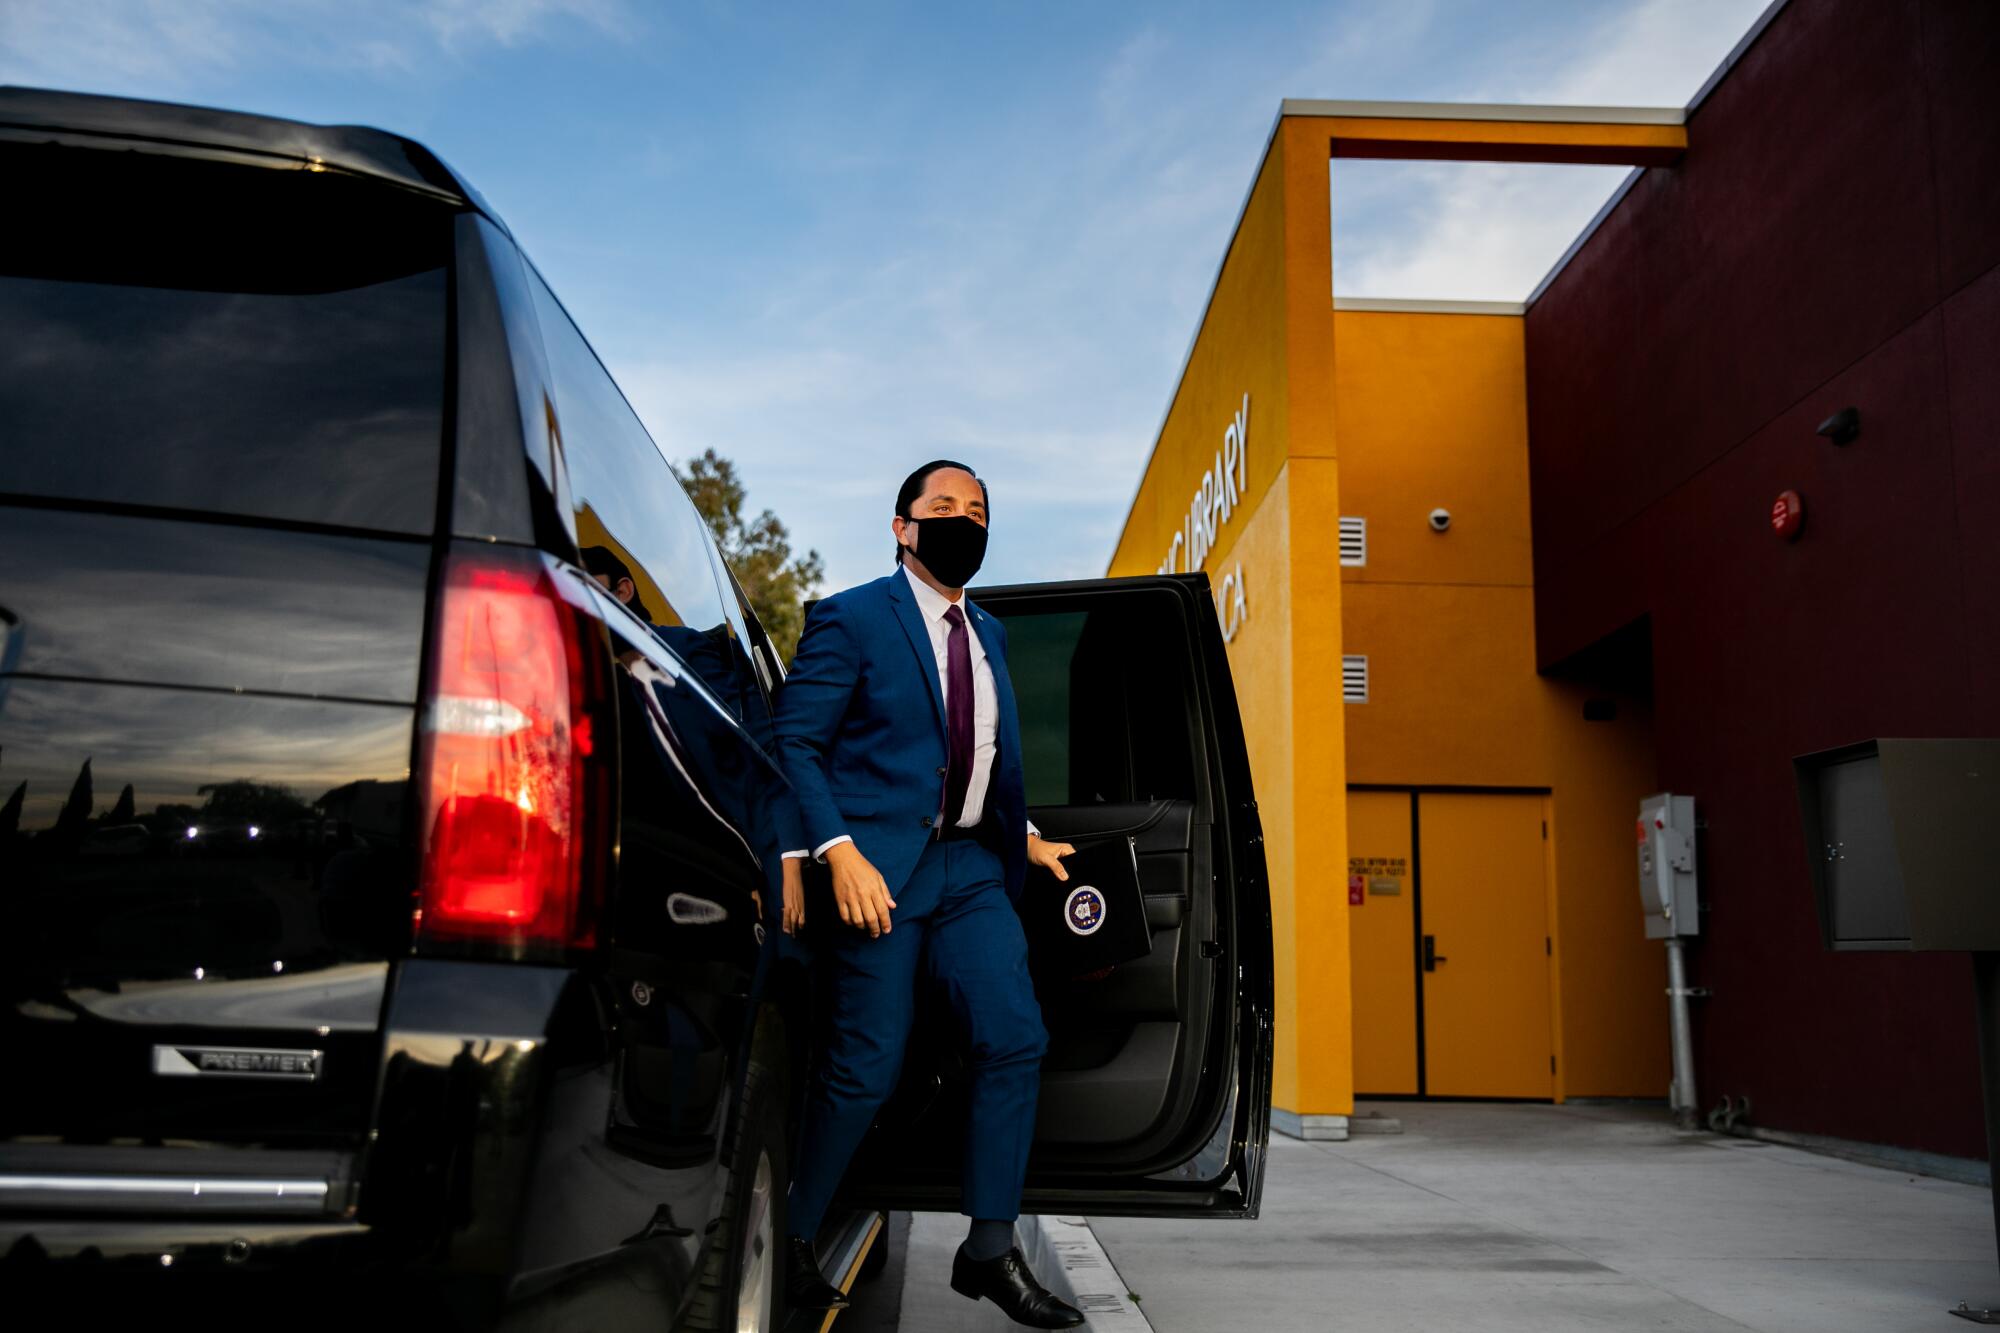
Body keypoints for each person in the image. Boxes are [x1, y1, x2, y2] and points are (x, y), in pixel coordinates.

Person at [773, 460, 1082, 1328]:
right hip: (876, 872)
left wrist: (1021, 835)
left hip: (969, 869)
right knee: (867, 1064)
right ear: (903, 526)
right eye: (943, 507)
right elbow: (797, 743)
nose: (963, 520)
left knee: (1014, 1035)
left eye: (977, 509)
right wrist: (836, 851)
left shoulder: (989, 630)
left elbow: (975, 758)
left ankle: (988, 1248)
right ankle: (794, 1230)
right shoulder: (852, 617)